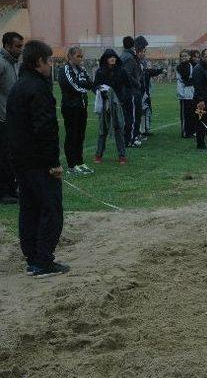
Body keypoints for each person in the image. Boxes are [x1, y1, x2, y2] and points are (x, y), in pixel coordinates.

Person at [6, 40, 69, 278]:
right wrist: (53, 163)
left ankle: (33, 258)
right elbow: (45, 129)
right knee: (51, 209)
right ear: (39, 62)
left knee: (29, 209)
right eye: (49, 60)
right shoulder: (38, 88)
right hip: (39, 163)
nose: (51, 64)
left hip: (21, 161)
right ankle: (43, 261)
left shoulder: (18, 86)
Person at [58, 46, 94, 175]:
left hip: (82, 106)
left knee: (80, 135)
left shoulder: (82, 69)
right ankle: (71, 165)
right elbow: (71, 86)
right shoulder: (64, 69)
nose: (80, 59)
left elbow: (89, 83)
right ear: (70, 56)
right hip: (70, 107)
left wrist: (94, 87)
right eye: (78, 56)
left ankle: (80, 162)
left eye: (81, 56)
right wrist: (83, 89)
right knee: (71, 135)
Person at [93, 49, 130, 164]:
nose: (112, 58)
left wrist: (122, 99)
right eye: (110, 57)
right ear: (105, 59)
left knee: (119, 128)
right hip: (104, 105)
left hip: (118, 103)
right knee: (103, 129)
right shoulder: (100, 72)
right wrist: (101, 92)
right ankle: (98, 155)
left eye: (114, 56)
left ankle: (122, 156)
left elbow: (128, 85)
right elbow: (95, 86)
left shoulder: (121, 71)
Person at [0, 32, 23, 205]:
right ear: (7, 46)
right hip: (2, 120)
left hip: (11, 119)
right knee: (4, 157)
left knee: (11, 156)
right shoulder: (1, 63)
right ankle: (4, 192)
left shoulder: (13, 64)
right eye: (17, 46)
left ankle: (11, 189)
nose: (20, 49)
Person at [120, 36, 144, 147]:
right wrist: (137, 83)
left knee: (129, 116)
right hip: (132, 92)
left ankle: (129, 138)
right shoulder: (129, 57)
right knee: (133, 116)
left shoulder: (124, 55)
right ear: (133, 45)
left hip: (127, 91)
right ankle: (131, 139)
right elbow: (127, 74)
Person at [138, 48, 165, 138]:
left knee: (147, 111)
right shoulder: (138, 65)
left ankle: (145, 129)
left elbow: (150, 72)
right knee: (142, 112)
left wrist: (160, 71)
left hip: (145, 93)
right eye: (143, 52)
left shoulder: (144, 68)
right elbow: (149, 72)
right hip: (140, 93)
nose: (144, 54)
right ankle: (141, 131)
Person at [176, 49, 196, 138]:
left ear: (189, 57)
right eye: (182, 56)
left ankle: (191, 131)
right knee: (185, 114)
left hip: (191, 93)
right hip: (183, 93)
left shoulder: (191, 65)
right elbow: (186, 78)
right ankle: (185, 132)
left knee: (191, 113)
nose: (183, 57)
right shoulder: (180, 66)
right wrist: (193, 80)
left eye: (185, 56)